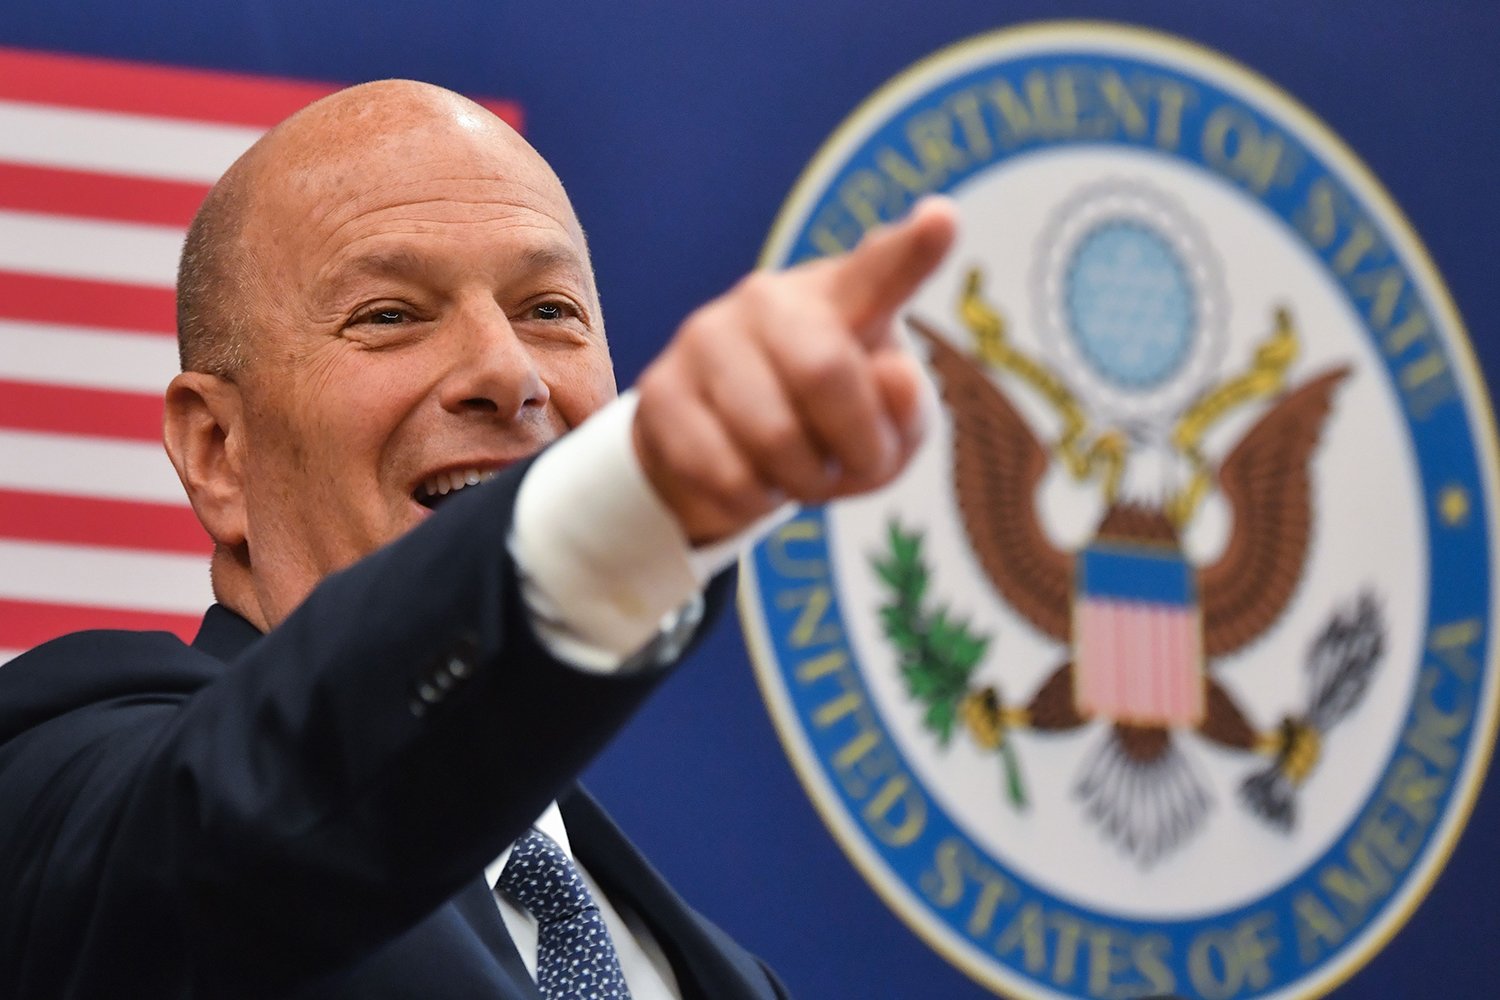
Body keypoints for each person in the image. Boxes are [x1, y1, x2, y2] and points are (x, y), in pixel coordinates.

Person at [0, 80, 956, 998]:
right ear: (218, 449)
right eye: (389, 316)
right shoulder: (64, 794)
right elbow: (244, 839)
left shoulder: (730, 978)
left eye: (549, 311)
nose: (509, 372)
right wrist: (638, 498)